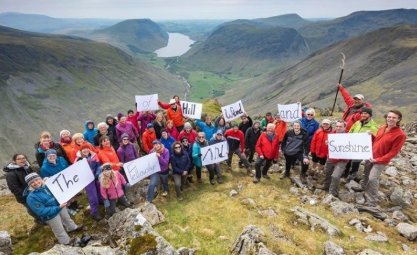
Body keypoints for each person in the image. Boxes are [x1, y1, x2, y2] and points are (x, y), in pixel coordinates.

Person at [362, 110, 406, 207]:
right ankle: (363, 188)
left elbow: (393, 152)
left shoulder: (400, 135)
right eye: (389, 117)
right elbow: (377, 140)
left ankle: (371, 202)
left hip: (381, 160)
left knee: (373, 178)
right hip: (371, 155)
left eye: (394, 117)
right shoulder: (382, 127)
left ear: (398, 119)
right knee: (366, 174)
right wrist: (371, 136)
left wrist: (378, 160)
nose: (390, 119)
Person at [25, 173, 82, 245]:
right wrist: (58, 208)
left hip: (60, 205)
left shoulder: (48, 185)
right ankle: (66, 243)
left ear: (40, 179)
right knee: (59, 229)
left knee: (67, 218)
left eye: (37, 179)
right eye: (32, 182)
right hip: (51, 215)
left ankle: (72, 228)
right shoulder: (31, 197)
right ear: (29, 185)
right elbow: (41, 211)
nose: (35, 183)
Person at [3, 154, 40, 223]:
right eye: (19, 159)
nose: (22, 160)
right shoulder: (10, 174)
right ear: (14, 161)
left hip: (35, 193)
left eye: (24, 158)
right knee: (32, 209)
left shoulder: (28, 168)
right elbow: (14, 189)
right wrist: (28, 194)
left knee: (39, 207)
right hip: (24, 197)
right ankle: (40, 221)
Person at [345, 107, 379, 181]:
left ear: (370, 115)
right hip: (352, 145)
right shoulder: (357, 123)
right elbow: (351, 131)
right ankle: (345, 173)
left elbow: (376, 138)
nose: (363, 115)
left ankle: (352, 176)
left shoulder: (373, 126)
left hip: (361, 149)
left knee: (356, 162)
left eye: (365, 113)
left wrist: (372, 135)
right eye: (362, 113)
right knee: (348, 160)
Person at [320, 120, 350, 197]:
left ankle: (333, 193)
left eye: (340, 126)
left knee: (335, 176)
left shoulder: (349, 136)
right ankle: (326, 186)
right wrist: (327, 143)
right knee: (327, 172)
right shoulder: (332, 134)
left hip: (342, 160)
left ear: (344, 127)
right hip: (331, 158)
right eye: (337, 126)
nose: (338, 128)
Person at [75, 144, 102, 221]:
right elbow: (77, 171)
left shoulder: (93, 156)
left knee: (99, 192)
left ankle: (100, 202)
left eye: (87, 148)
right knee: (93, 197)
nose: (86, 150)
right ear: (81, 151)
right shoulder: (78, 160)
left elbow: (98, 166)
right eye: (84, 149)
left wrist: (97, 173)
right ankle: (94, 213)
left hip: (96, 177)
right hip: (87, 181)